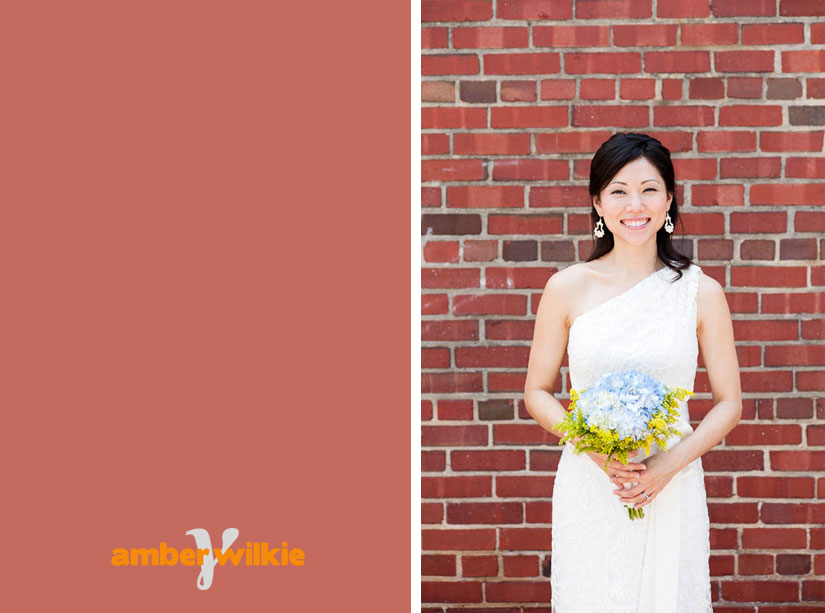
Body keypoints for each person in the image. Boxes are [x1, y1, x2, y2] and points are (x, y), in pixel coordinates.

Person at [523, 132, 742, 612]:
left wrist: (668, 465)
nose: (634, 204)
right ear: (598, 203)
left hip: (672, 479)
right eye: (619, 190)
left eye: (649, 189)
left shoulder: (700, 292)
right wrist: (596, 452)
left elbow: (730, 402)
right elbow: (537, 391)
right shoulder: (566, 288)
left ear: (668, 200)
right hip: (592, 480)